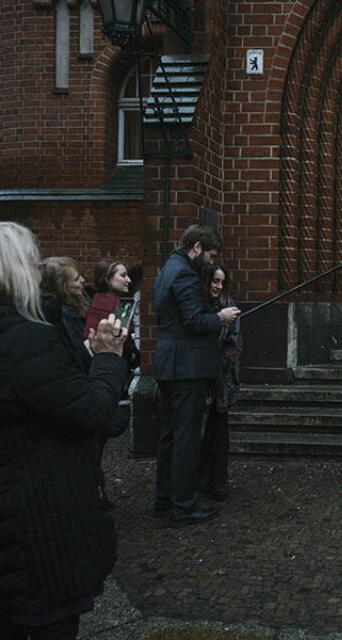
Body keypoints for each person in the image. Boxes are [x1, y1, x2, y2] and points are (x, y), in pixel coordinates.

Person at [0, 222, 129, 640]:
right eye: (31, 261)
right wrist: (108, 359)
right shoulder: (22, 340)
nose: (39, 269)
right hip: (42, 523)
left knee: (4, 619)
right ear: (8, 271)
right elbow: (91, 414)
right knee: (48, 621)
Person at [153, 224, 239, 527]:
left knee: (169, 437)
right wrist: (220, 317)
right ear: (198, 247)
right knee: (186, 439)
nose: (212, 264)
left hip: (169, 364)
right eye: (211, 256)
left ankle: (164, 501)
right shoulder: (186, 274)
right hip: (186, 367)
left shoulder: (168, 268)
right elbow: (193, 320)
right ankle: (184, 507)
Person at [91, 259, 141, 505]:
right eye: (122, 275)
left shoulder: (117, 304)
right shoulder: (104, 306)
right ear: (107, 278)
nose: (128, 280)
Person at [197, 263, 243, 501]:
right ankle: (201, 479)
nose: (218, 286)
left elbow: (234, 347)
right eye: (215, 280)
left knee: (219, 433)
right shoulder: (198, 305)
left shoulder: (228, 306)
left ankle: (218, 481)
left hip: (220, 379)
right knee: (200, 433)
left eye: (221, 281)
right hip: (200, 377)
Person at [39, 256, 91, 372]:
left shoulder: (74, 304)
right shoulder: (64, 314)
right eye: (76, 279)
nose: (82, 280)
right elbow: (77, 351)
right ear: (62, 285)